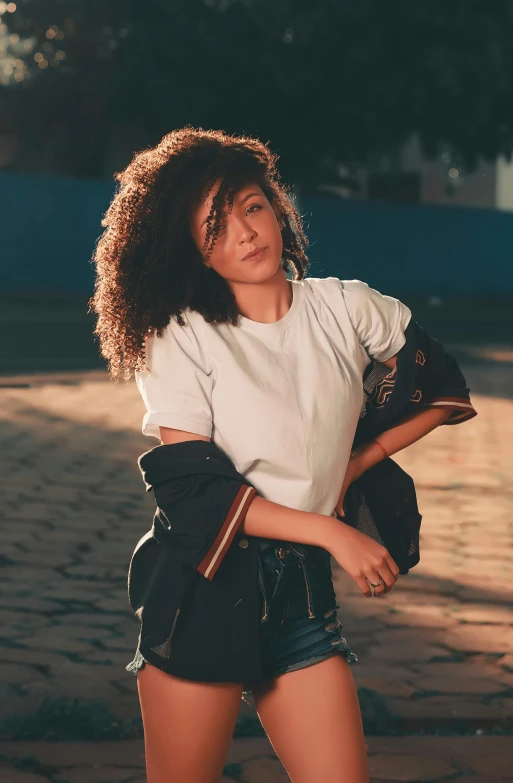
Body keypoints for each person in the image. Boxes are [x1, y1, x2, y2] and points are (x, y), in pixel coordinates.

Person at [89, 127, 474, 783]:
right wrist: (332, 529)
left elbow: (438, 383)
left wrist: (355, 464)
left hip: (301, 598)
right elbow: (194, 496)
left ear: (274, 204)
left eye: (250, 206)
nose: (244, 232)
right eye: (214, 227)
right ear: (193, 251)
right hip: (202, 595)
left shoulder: (344, 307)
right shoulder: (180, 334)